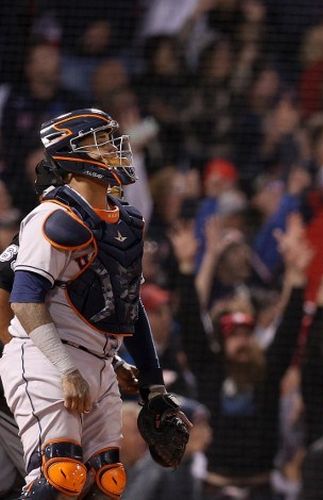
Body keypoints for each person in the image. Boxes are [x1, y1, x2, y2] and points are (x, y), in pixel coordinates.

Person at [0, 108, 189, 498]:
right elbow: (23, 300)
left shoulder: (128, 222)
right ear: (70, 154)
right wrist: (66, 367)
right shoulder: (53, 217)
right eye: (98, 142)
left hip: (100, 364)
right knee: (58, 477)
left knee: (106, 485)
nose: (112, 149)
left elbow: (127, 306)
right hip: (47, 357)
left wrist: (152, 388)